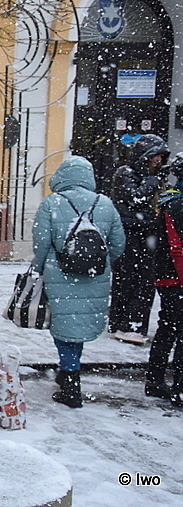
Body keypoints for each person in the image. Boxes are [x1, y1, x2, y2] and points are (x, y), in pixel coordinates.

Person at [32, 156, 125, 408]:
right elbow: (118, 244)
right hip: (95, 275)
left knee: (64, 323)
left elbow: (41, 242)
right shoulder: (105, 203)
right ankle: (68, 370)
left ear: (61, 176)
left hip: (59, 274)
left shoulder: (51, 202)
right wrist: (97, 261)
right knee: (79, 324)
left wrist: (39, 268)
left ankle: (71, 381)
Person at [109, 133, 168, 344]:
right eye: (155, 156)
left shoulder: (152, 177)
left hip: (146, 237)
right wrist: (153, 182)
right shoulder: (126, 174)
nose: (158, 160)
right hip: (131, 238)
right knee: (129, 280)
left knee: (143, 281)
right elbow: (136, 198)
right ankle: (126, 323)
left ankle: (131, 323)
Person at [147, 152, 183, 405]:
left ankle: (155, 379)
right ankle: (179, 386)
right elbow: (176, 247)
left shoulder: (170, 200)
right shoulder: (177, 204)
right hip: (177, 276)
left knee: (168, 327)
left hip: (167, 275)